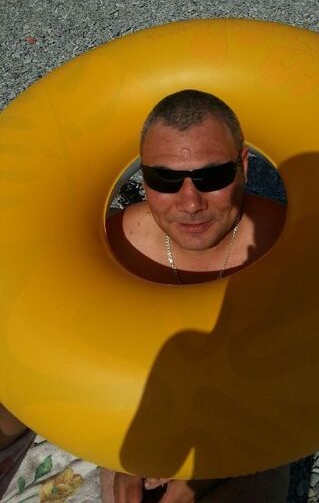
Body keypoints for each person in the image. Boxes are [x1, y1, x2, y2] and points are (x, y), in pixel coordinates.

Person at [104, 89, 288, 502]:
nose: (190, 203)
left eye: (213, 176)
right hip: (139, 409)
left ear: (243, 166)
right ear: (142, 176)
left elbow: (297, 376)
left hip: (253, 420)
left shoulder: (285, 243)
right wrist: (124, 463)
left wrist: (204, 471)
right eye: (165, 179)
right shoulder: (114, 247)